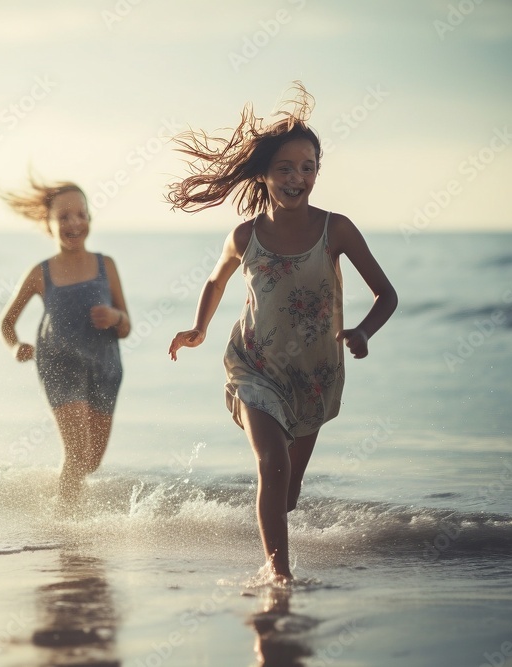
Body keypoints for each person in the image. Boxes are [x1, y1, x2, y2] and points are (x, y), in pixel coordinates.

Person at [167, 84, 398, 581]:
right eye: (286, 169)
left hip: (314, 374)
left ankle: (271, 539)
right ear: (264, 174)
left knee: (287, 491)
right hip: (254, 366)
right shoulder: (245, 236)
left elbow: (387, 294)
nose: (298, 178)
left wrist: (363, 332)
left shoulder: (337, 229)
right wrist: (198, 327)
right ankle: (280, 577)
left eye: (308, 167)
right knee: (272, 463)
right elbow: (215, 279)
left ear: (318, 171)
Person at [0, 174, 130, 513]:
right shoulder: (42, 272)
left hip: (105, 366)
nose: (74, 222)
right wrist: (16, 346)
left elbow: (127, 326)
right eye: (64, 217)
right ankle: (66, 524)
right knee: (75, 453)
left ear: (89, 218)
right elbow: (7, 322)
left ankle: (63, 502)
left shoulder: (106, 265)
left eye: (81, 214)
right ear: (49, 224)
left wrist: (114, 317)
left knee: (90, 461)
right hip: (59, 363)